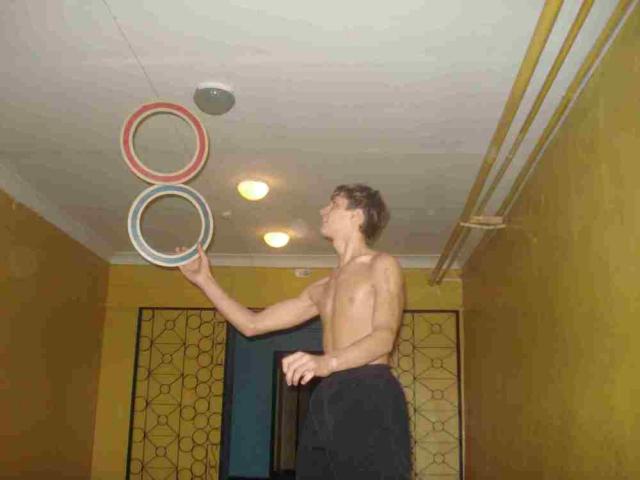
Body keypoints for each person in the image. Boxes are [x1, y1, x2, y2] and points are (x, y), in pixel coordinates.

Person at [176, 183, 411, 479]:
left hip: (369, 387)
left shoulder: (381, 264)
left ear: (357, 215)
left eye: (334, 204)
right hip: (329, 394)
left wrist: (325, 363)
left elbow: (383, 337)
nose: (323, 210)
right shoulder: (322, 288)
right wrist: (204, 280)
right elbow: (251, 325)